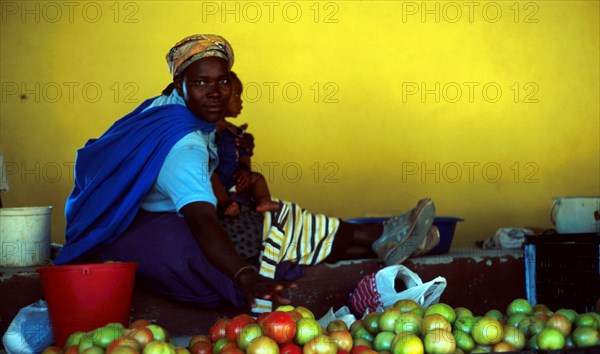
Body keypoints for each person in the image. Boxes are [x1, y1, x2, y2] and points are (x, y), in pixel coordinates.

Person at [54, 34, 439, 312]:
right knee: (273, 235)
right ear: (178, 84)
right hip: (145, 231)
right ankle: (377, 235)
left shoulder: (166, 107)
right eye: (201, 83)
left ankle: (379, 238)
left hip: (150, 215)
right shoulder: (183, 148)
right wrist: (244, 276)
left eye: (223, 81)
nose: (215, 93)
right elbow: (203, 221)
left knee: (277, 219)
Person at [211, 71, 279, 217]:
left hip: (233, 180)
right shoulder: (205, 131)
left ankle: (263, 201)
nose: (240, 101)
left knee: (257, 178)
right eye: (236, 95)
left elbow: (244, 155)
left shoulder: (237, 132)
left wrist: (244, 170)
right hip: (214, 182)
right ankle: (225, 204)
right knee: (209, 178)